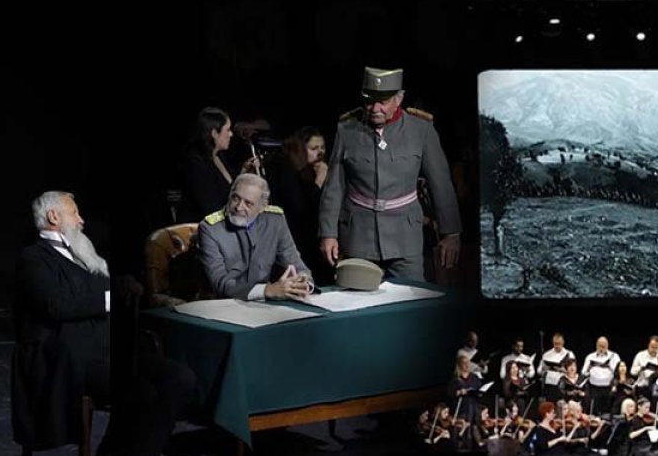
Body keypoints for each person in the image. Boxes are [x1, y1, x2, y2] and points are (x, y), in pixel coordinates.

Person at [12, 191, 194, 456]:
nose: (81, 219)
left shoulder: (83, 251)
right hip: (67, 359)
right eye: (74, 213)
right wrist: (109, 298)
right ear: (54, 217)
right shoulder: (33, 259)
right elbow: (58, 304)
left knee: (179, 378)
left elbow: (97, 288)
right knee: (141, 391)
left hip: (107, 348)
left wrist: (120, 287)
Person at [318, 67, 461, 281]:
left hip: (405, 238)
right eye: (369, 100)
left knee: (410, 304)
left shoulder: (421, 130)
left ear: (399, 99)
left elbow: (440, 183)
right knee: (359, 303)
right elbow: (334, 186)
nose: (375, 108)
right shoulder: (346, 130)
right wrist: (328, 233)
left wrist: (451, 233)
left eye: (383, 101)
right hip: (359, 237)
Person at [198, 173, 312, 300]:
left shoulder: (274, 220)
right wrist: (266, 290)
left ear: (262, 207)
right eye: (235, 198)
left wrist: (303, 284)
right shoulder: (210, 229)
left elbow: (297, 265)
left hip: (261, 305)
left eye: (248, 203)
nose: (239, 207)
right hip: (222, 304)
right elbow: (220, 284)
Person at [270, 126, 331, 283]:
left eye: (322, 147)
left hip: (316, 239)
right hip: (298, 241)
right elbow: (301, 210)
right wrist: (319, 182)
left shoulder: (315, 172)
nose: (320, 152)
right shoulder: (287, 171)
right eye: (313, 148)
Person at [180, 107, 261, 223]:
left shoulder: (219, 156)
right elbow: (211, 206)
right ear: (214, 133)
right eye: (227, 130)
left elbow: (229, 189)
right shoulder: (195, 164)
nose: (231, 134)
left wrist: (244, 171)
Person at [581, 337, 619, 416]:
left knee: (606, 413)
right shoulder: (590, 357)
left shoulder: (614, 356)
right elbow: (583, 372)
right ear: (596, 346)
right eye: (600, 346)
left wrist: (609, 365)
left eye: (604, 346)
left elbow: (618, 372)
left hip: (608, 389)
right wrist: (589, 369)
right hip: (594, 389)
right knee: (594, 413)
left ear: (607, 346)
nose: (601, 349)